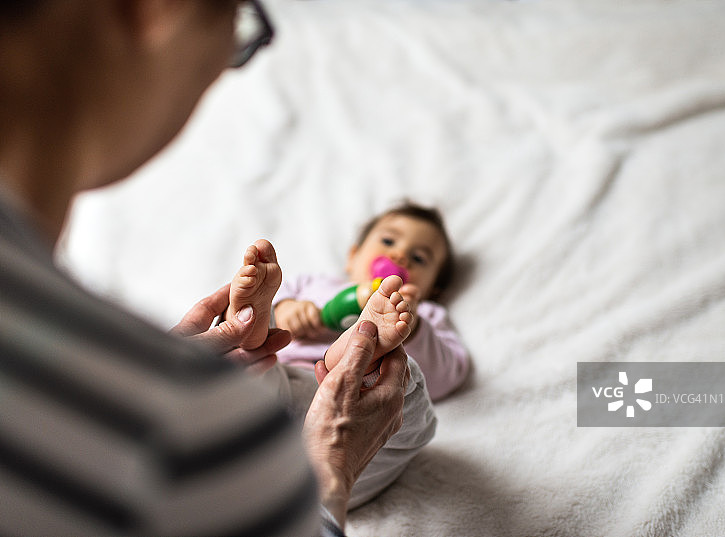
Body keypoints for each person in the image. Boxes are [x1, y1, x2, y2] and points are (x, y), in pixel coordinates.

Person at [0, 1, 434, 536]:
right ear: (159, 10)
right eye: (242, 33)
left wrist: (152, 372)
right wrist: (331, 470)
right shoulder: (184, 432)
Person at [274, 202, 471, 401]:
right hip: (285, 373)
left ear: (432, 291)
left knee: (412, 413)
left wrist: (412, 330)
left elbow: (445, 379)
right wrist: (284, 309)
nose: (400, 255)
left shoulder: (424, 314)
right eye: (388, 241)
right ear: (353, 256)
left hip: (356, 398)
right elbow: (260, 307)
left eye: (419, 258)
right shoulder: (310, 283)